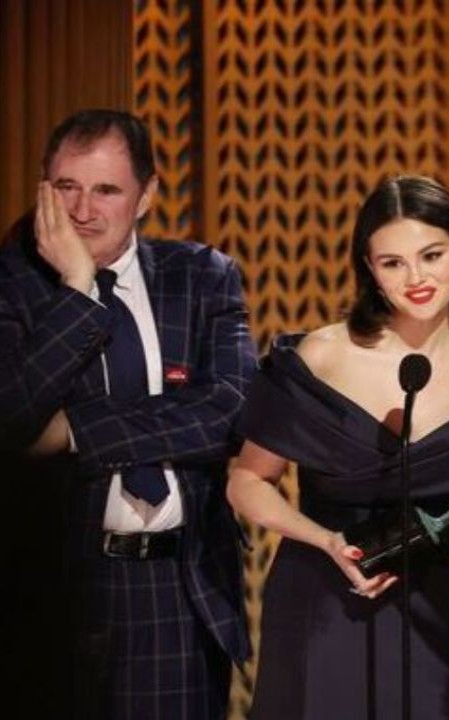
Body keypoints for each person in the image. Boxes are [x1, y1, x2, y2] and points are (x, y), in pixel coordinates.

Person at [225, 174, 449, 719]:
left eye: (431, 255)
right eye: (392, 262)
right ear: (370, 270)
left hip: (428, 606)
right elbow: (246, 482)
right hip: (320, 595)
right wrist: (326, 542)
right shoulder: (321, 356)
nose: (415, 278)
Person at [0, 109, 253, 719]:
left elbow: (232, 412)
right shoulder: (14, 284)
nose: (83, 210)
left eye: (107, 190)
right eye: (67, 187)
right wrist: (81, 288)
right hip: (61, 589)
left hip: (177, 587)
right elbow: (10, 418)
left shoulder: (202, 277)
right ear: (43, 189)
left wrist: (77, 431)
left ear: (146, 195)